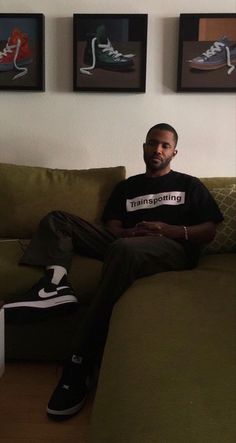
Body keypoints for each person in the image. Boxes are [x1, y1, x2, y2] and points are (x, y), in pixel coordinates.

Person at [4, 123, 224, 419]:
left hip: (169, 247)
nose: (157, 150)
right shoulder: (127, 186)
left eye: (164, 145)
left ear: (174, 152)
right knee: (58, 219)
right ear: (143, 146)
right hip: (128, 242)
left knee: (122, 251)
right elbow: (112, 225)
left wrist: (172, 230)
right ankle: (54, 285)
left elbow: (209, 230)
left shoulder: (188, 185)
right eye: (152, 143)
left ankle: (80, 360)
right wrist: (128, 234)